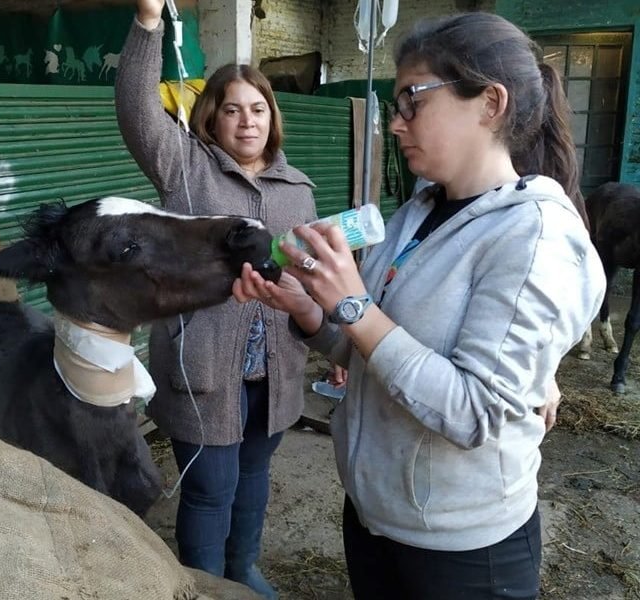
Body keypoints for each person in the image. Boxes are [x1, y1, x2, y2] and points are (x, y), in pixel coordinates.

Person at [233, 12, 605, 599]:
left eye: (412, 102)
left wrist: (355, 307)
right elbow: (373, 355)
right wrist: (310, 310)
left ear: (490, 103)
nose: (397, 124)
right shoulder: (417, 213)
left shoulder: (533, 239)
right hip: (377, 519)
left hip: (463, 551)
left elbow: (473, 412)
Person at [114, 2, 316, 598]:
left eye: (258, 110)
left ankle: (242, 570)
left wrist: (325, 328)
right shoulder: (184, 167)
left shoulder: (298, 188)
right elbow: (136, 112)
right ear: (212, 117)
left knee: (254, 478)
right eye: (232, 110)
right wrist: (149, 22)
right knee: (209, 488)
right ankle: (200, 585)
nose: (247, 122)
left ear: (271, 118)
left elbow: (310, 271)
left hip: (275, 371)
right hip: (202, 369)